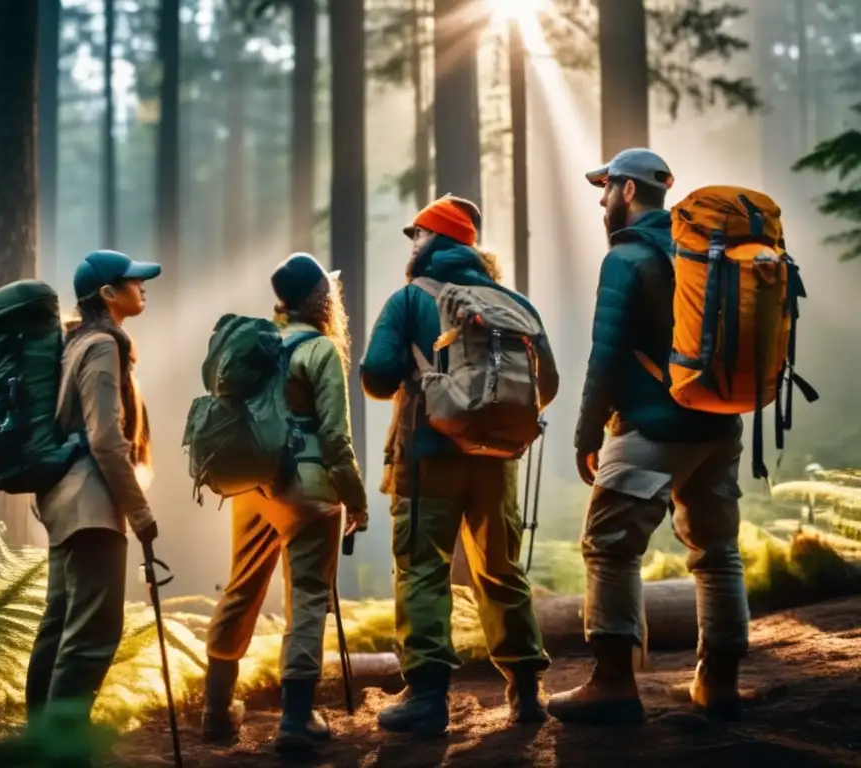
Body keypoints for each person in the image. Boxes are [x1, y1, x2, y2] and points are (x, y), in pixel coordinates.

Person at [548, 149, 749, 724]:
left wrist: (586, 432)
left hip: (651, 428)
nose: (602, 199)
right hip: (717, 425)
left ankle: (612, 683)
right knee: (717, 554)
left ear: (629, 192)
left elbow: (605, 354)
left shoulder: (627, 258)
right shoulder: (705, 252)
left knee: (610, 547)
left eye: (606, 188)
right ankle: (720, 683)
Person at [360, 195, 556, 736]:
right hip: (496, 461)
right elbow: (549, 386)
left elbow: (377, 376)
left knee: (424, 569)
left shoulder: (408, 299)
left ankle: (427, 699)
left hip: (427, 458)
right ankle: (526, 693)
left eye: (416, 235)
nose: (413, 244)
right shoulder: (514, 303)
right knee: (500, 569)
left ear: (433, 241)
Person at [202, 253, 369, 755]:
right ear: (320, 298)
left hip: (253, 489)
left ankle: (216, 709)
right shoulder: (319, 350)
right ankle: (296, 719)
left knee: (241, 589)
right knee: (309, 599)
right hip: (309, 491)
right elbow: (337, 440)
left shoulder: (261, 345)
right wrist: (356, 499)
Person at [25, 250, 161, 723]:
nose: (143, 286)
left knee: (60, 628)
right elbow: (106, 437)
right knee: (92, 635)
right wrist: (141, 515)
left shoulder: (75, 343)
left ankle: (41, 744)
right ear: (107, 294)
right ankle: (63, 750)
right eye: (133, 280)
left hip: (65, 503)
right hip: (92, 507)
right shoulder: (103, 345)